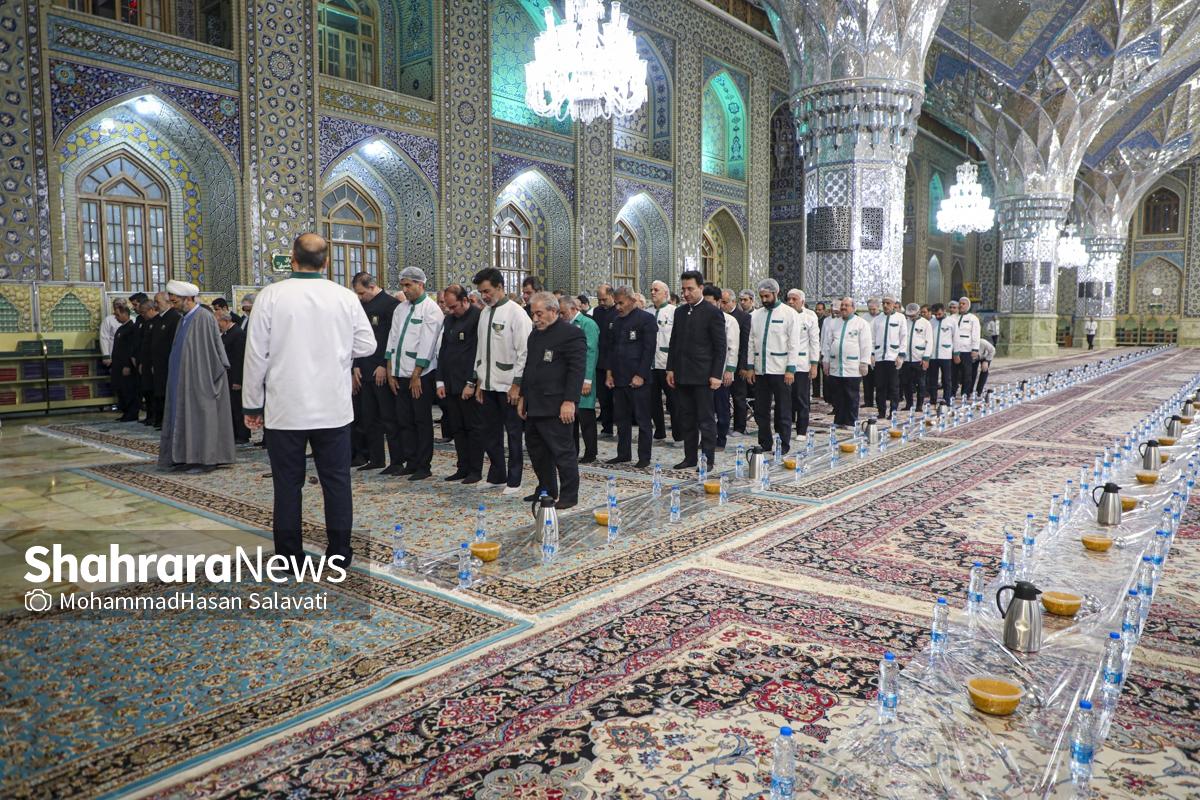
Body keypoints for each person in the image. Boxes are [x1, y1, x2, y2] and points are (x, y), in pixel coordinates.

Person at [243, 234, 374, 568]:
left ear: (292, 259)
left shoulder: (271, 296)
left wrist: (252, 404)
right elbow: (367, 345)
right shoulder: (344, 297)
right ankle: (339, 553)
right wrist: (338, 350)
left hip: (285, 409)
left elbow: (256, 355)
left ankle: (289, 556)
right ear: (326, 262)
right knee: (337, 482)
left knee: (287, 485)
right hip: (333, 409)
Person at [157, 280, 235, 473]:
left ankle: (206, 460)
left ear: (188, 298)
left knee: (201, 418)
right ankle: (186, 457)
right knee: (183, 416)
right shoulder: (183, 319)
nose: (173, 305)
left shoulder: (203, 317)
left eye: (175, 301)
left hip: (201, 381)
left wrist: (205, 381)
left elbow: (211, 354)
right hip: (183, 380)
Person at [519, 292, 585, 509]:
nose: (535, 318)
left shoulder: (571, 334)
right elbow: (530, 368)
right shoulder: (535, 335)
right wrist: (523, 397)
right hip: (534, 403)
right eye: (533, 314)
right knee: (537, 451)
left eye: (539, 314)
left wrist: (570, 401)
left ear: (554, 311)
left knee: (562, 453)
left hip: (557, 405)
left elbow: (576, 370)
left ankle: (569, 495)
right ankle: (547, 490)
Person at [471, 267, 532, 494]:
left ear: (500, 287)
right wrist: (479, 382)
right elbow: (481, 351)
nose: (484, 296)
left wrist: (517, 385)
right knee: (490, 433)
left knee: (513, 434)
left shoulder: (516, 313)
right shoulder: (484, 313)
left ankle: (514, 480)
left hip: (509, 386)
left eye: (487, 291)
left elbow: (524, 352)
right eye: (481, 292)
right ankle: (497, 475)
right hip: (488, 385)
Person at [384, 267, 444, 481]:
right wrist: (390, 371)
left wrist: (417, 374)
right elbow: (392, 339)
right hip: (400, 372)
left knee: (421, 421)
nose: (405, 289)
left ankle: (423, 465)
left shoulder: (431, 310)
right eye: (403, 285)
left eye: (409, 285)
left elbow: (428, 344)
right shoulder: (400, 309)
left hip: (421, 376)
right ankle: (410, 461)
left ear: (421, 284)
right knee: (404, 420)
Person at [666, 271, 725, 469]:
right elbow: (674, 342)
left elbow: (720, 347)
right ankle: (689, 457)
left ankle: (707, 460)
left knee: (706, 420)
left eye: (690, 289)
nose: (686, 293)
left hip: (703, 376)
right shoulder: (680, 312)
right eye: (683, 289)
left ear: (701, 288)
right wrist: (670, 369)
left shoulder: (712, 312)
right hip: (682, 374)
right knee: (687, 419)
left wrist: (716, 375)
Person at [349, 272, 401, 472]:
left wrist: (384, 364)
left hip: (381, 369)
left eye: (362, 293)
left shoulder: (390, 305)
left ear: (372, 286)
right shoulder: (362, 306)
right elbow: (358, 338)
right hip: (364, 369)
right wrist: (356, 366)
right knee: (368, 417)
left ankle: (397, 461)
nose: (360, 297)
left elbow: (391, 338)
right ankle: (375, 458)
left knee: (388, 418)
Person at [437, 284, 485, 483]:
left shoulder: (478, 318)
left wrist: (471, 382)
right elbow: (443, 351)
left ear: (465, 301)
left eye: (453, 306)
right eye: (448, 307)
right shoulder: (449, 319)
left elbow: (478, 353)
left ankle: (475, 470)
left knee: (473, 428)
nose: (450, 311)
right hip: (450, 383)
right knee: (457, 428)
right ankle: (462, 467)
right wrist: (440, 381)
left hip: (468, 384)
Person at [606, 285, 657, 467]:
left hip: (638, 379)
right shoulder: (616, 321)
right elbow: (611, 349)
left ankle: (644, 457)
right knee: (621, 420)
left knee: (642, 420)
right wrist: (609, 374)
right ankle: (623, 454)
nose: (618, 307)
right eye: (616, 303)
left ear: (632, 300)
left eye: (621, 303)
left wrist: (640, 375)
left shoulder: (646, 319)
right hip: (619, 378)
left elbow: (649, 350)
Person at [747, 279, 799, 454]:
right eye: (761, 296)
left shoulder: (789, 314)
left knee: (783, 409)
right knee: (761, 410)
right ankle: (765, 442)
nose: (764, 300)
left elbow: (794, 344)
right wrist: (750, 367)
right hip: (761, 370)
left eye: (767, 296)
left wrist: (791, 369)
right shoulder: (756, 315)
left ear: (776, 293)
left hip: (781, 370)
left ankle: (783, 443)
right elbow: (751, 342)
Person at [821, 296, 872, 429]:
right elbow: (827, 343)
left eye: (846, 305)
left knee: (851, 395)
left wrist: (864, 362)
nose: (843, 307)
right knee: (837, 395)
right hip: (836, 366)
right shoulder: (834, 323)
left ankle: (850, 421)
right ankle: (839, 420)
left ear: (853, 308)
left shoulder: (861, 324)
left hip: (852, 366)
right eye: (842, 305)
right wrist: (825, 360)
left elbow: (866, 345)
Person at [560, 295, 599, 464]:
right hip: (569, 377)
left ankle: (591, 452)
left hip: (584, 377)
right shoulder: (564, 325)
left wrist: (587, 380)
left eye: (563, 313)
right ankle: (573, 451)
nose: (561, 316)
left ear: (573, 309)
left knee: (585, 416)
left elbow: (591, 352)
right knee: (571, 417)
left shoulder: (587, 324)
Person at [784, 288, 820, 440]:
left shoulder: (810, 317)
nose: (791, 302)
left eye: (794, 299)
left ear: (802, 302)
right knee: (785, 398)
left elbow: (814, 342)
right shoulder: (783, 315)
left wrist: (814, 364)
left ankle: (801, 430)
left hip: (801, 364)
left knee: (801, 397)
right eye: (789, 299)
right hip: (783, 363)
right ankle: (784, 427)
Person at [706, 285, 739, 450]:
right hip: (703, 370)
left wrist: (729, 371)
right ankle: (707, 438)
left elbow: (732, 347)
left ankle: (721, 438)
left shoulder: (729, 321)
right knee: (705, 409)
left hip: (721, 371)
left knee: (721, 407)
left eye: (710, 303)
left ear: (718, 302)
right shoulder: (700, 318)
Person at [215, 308, 250, 444]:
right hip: (227, 377)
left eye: (218, 322)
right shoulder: (226, 333)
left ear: (225, 321)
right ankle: (234, 433)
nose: (217, 325)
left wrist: (237, 380)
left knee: (237, 407)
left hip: (235, 378)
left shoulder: (237, 334)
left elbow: (239, 359)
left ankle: (242, 434)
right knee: (231, 407)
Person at [872, 295, 908, 420]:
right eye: (883, 303)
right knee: (880, 386)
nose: (885, 305)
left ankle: (893, 411)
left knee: (893, 386)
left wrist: (901, 355)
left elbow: (904, 337)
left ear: (893, 304)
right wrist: (872, 354)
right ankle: (881, 411)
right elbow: (872, 338)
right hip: (880, 357)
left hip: (893, 357)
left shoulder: (900, 318)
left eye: (888, 303)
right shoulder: (877, 319)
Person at [149, 290, 181, 429]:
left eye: (158, 302)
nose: (155, 305)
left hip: (168, 364)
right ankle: (160, 420)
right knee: (159, 392)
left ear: (168, 302)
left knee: (168, 393)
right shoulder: (159, 319)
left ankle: (168, 422)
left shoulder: (175, 318)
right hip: (158, 364)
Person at [649, 280, 676, 442]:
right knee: (653, 401)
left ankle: (678, 433)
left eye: (656, 290)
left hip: (668, 365)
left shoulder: (674, 312)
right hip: (651, 365)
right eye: (651, 290)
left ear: (665, 293)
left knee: (673, 401)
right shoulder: (647, 312)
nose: (652, 292)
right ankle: (659, 431)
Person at [724, 289, 751, 435]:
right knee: (723, 397)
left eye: (725, 302)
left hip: (738, 363)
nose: (722, 305)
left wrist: (743, 366)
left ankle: (739, 427)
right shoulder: (718, 315)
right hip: (722, 363)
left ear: (733, 302)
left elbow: (745, 344)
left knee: (738, 396)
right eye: (721, 302)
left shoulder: (744, 317)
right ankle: (723, 425)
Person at [592, 284, 617, 437]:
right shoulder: (597, 311)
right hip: (600, 360)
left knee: (617, 398)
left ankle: (621, 427)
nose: (601, 303)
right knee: (603, 397)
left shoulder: (618, 311)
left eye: (604, 299)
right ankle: (607, 427)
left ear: (612, 296)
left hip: (615, 360)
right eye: (599, 300)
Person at [109, 301, 140, 422]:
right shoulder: (121, 329)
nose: (116, 317)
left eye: (118, 315)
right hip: (118, 365)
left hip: (126, 366)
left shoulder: (131, 328)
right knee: (121, 389)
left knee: (128, 389)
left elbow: (131, 349)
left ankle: (132, 413)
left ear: (125, 314)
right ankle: (125, 412)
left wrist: (128, 365)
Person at [900, 302, 932, 412]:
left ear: (918, 313)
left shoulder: (925, 323)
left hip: (919, 358)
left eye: (913, 315)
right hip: (906, 358)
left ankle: (919, 405)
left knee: (921, 383)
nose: (911, 317)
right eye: (910, 316)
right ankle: (909, 404)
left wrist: (926, 357)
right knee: (906, 383)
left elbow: (929, 341)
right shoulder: (905, 323)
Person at [927, 302, 955, 406]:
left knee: (946, 379)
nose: (937, 316)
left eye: (939, 314)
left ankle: (946, 399)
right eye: (935, 314)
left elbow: (955, 337)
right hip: (933, 355)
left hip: (945, 354)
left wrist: (956, 352)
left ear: (944, 311)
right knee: (932, 379)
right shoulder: (931, 322)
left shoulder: (951, 322)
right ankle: (933, 399)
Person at [953, 296, 981, 398]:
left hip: (966, 350)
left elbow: (976, 334)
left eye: (963, 304)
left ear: (968, 306)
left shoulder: (973, 318)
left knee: (967, 373)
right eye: (960, 303)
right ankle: (952, 392)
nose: (961, 305)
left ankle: (965, 393)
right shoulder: (952, 318)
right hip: (954, 350)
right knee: (953, 373)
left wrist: (975, 349)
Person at [136, 299, 158, 424]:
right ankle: (149, 416)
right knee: (146, 390)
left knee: (153, 391)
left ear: (151, 309)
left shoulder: (157, 322)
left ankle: (155, 417)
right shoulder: (146, 323)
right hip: (145, 362)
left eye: (144, 312)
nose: (142, 315)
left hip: (153, 362)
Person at [862, 297, 882, 408]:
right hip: (867, 351)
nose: (872, 311)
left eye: (874, 309)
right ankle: (868, 401)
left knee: (879, 380)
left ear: (878, 307)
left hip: (879, 352)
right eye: (870, 309)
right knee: (867, 378)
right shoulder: (864, 318)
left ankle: (879, 401)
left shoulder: (882, 318)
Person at [99, 298, 125, 368]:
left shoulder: (133, 319)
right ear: (113, 306)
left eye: (123, 304)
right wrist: (106, 355)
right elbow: (104, 338)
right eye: (117, 304)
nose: (120, 305)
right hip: (113, 354)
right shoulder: (108, 319)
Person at [813, 301, 829, 401]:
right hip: (815, 349)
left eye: (820, 310)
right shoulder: (813, 319)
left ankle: (826, 395)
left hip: (823, 349)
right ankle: (816, 393)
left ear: (824, 310)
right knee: (815, 372)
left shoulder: (826, 321)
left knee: (825, 374)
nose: (818, 311)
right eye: (816, 309)